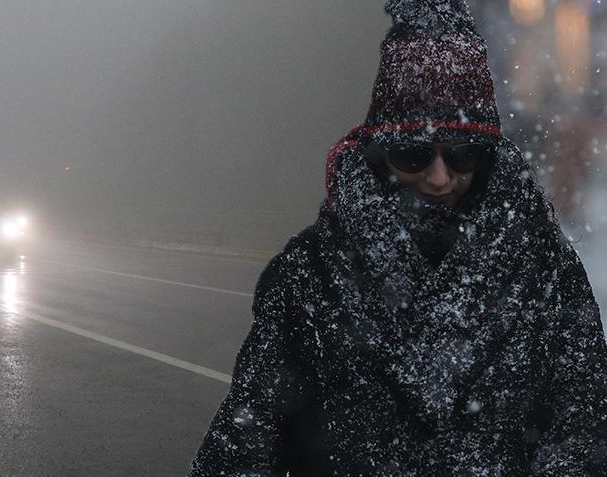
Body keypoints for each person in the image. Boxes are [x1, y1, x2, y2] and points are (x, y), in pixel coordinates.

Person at [187, 1, 607, 475]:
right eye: (413, 155)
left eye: (464, 154)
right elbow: (249, 435)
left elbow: (584, 425)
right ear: (379, 154)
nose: (439, 178)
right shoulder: (311, 272)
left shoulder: (546, 270)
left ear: (488, 155)